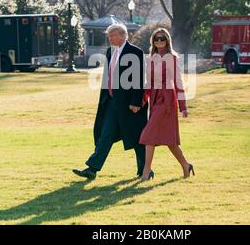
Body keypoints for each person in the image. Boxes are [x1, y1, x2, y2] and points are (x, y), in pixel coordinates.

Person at [72, 23, 152, 180]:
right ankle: (92, 169)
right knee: (106, 135)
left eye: (113, 35)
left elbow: (139, 78)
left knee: (136, 137)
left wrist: (136, 102)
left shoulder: (135, 52)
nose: (110, 38)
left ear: (123, 36)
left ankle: (145, 170)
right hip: (111, 102)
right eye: (109, 36)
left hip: (131, 104)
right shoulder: (110, 52)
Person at [139, 27, 194, 181]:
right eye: (156, 39)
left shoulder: (172, 58)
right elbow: (149, 83)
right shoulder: (150, 59)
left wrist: (183, 106)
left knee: (148, 134)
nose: (159, 41)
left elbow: (178, 82)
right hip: (155, 100)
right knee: (169, 140)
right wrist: (141, 102)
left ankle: (146, 172)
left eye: (162, 38)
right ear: (153, 41)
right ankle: (185, 164)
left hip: (168, 101)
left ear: (167, 40)